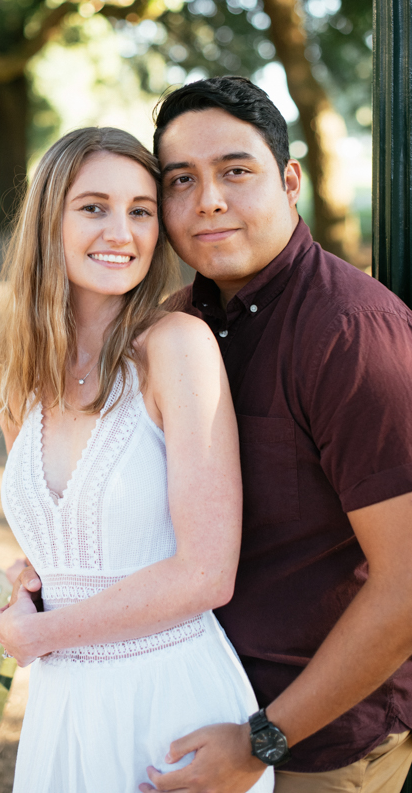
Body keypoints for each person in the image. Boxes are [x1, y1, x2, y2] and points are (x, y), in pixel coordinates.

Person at [0, 126, 273, 793]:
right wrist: (27, 581)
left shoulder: (175, 347)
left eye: (140, 211)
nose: (121, 232)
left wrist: (41, 633)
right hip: (63, 705)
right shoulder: (9, 371)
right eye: (93, 207)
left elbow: (204, 574)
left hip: (166, 702)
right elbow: (60, 534)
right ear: (48, 220)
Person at [133, 76, 412, 792]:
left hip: (310, 748)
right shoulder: (174, 329)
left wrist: (265, 739)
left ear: (289, 181)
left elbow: (407, 583)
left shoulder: (351, 335)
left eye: (235, 171)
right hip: (184, 716)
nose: (209, 201)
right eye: (180, 180)